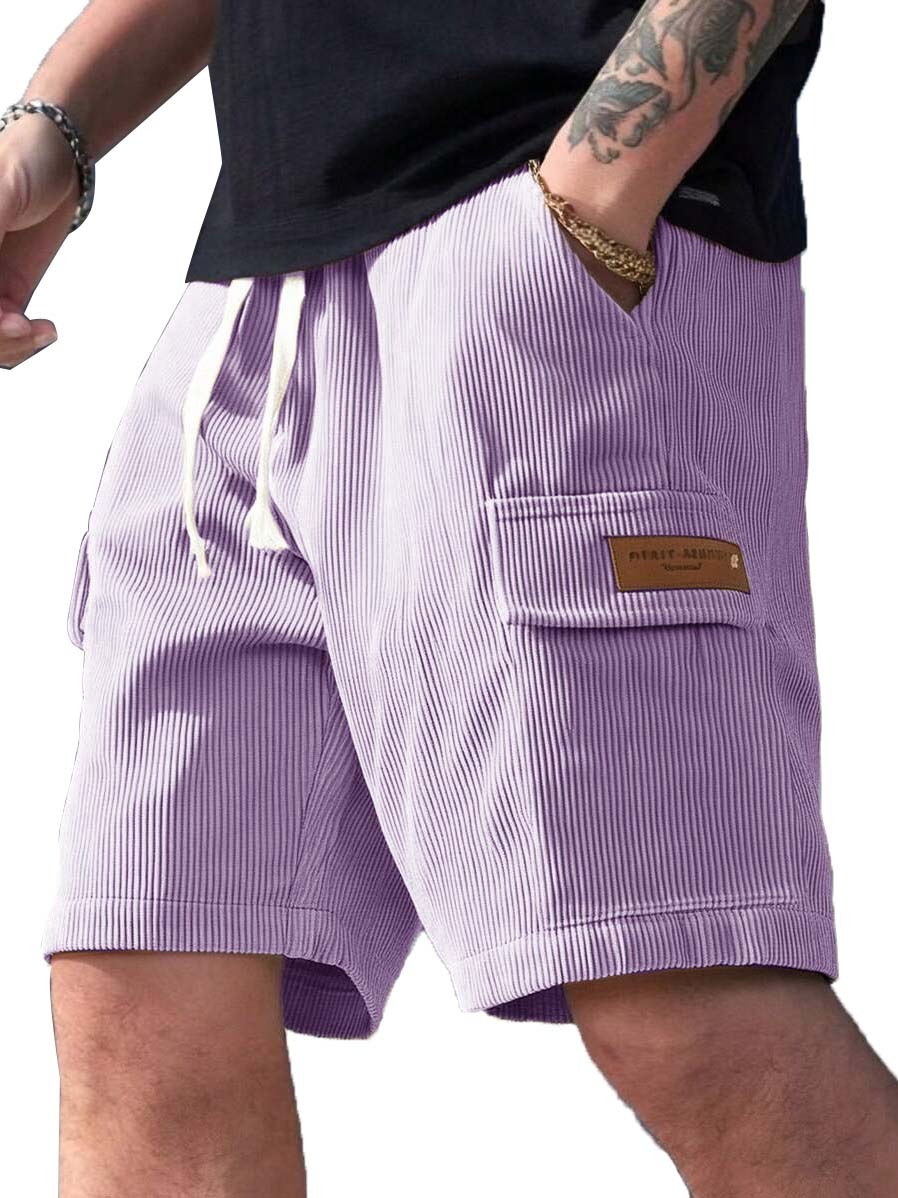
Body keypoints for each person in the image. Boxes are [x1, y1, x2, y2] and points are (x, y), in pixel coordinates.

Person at [3, 1, 896, 1193]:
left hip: (545, 247)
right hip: (246, 310)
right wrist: (55, 126)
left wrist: (598, 187)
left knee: (681, 994)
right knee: (142, 993)